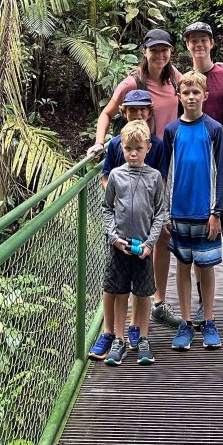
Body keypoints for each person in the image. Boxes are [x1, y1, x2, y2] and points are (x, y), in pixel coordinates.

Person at [88, 28, 181, 329]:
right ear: (145, 52)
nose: (160, 55)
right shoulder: (132, 83)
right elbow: (107, 113)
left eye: (165, 50)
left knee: (163, 232)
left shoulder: (172, 78)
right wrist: (100, 142)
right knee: (131, 234)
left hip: (162, 155)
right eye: (154, 50)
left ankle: (158, 301)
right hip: (134, 155)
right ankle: (118, 323)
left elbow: (197, 89)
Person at [89, 90, 167, 360]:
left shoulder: (155, 157)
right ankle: (113, 335)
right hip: (118, 237)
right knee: (115, 286)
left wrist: (151, 241)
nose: (133, 153)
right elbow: (107, 201)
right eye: (129, 149)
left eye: (143, 109)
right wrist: (113, 235)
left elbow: (160, 206)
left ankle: (139, 334)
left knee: (143, 289)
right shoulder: (115, 152)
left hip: (143, 239)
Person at [182, 21, 223, 332]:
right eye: (193, 40)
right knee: (196, 235)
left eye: (203, 40)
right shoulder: (184, 80)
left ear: (212, 42)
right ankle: (204, 302)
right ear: (188, 45)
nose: (198, 45)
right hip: (195, 167)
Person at [161, 71, 223, 352]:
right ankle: (186, 322)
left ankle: (208, 319)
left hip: (205, 211)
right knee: (182, 266)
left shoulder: (214, 129)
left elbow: (221, 172)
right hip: (179, 211)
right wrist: (165, 213)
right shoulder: (172, 131)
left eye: (195, 93)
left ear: (205, 96)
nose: (190, 97)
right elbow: (166, 173)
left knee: (206, 267)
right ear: (179, 96)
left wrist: (217, 211)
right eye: (185, 93)